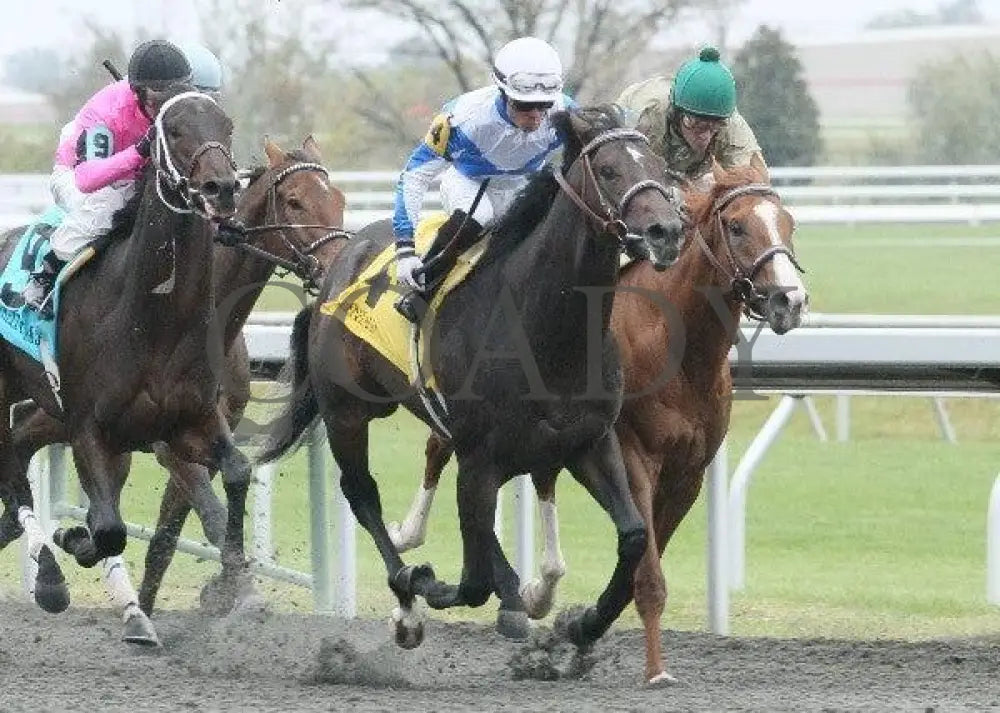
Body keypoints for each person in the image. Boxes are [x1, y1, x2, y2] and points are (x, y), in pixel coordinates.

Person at [392, 36, 574, 322]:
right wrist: (405, 248)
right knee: (480, 214)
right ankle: (423, 290)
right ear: (503, 93)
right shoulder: (463, 119)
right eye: (525, 106)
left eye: (544, 105)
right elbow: (415, 175)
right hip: (469, 182)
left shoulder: (567, 112)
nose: (537, 116)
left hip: (524, 185)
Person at [22, 40, 193, 315]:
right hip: (77, 175)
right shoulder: (106, 112)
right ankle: (46, 273)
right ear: (137, 92)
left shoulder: (174, 107)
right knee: (110, 203)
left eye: (171, 96)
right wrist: (139, 151)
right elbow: (87, 180)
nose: (163, 106)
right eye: (156, 98)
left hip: (131, 178)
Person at [615, 46, 767, 188]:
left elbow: (754, 188)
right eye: (697, 125)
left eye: (714, 127)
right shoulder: (645, 113)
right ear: (677, 113)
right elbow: (618, 170)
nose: (705, 137)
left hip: (692, 173)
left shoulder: (731, 127)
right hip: (646, 151)